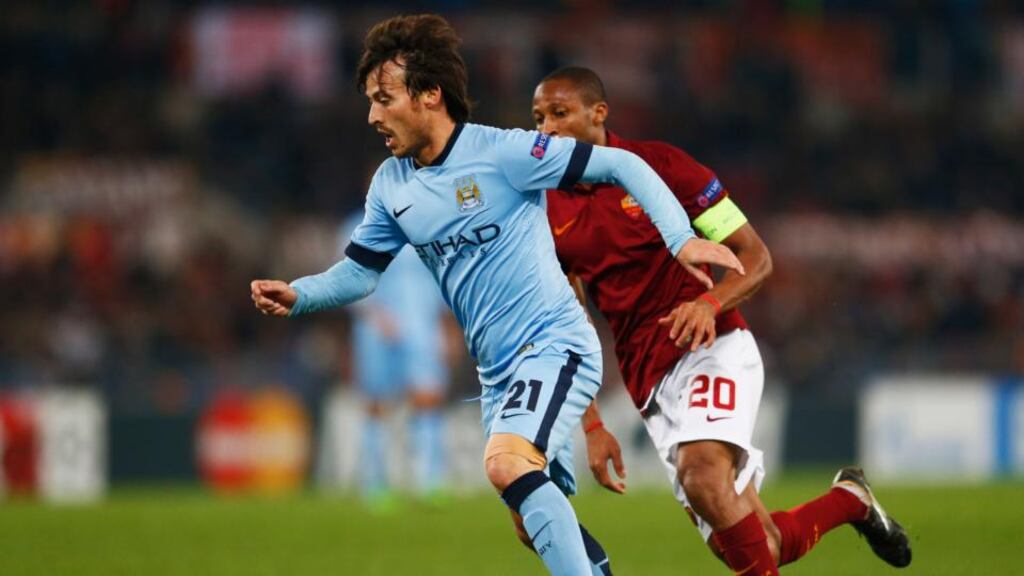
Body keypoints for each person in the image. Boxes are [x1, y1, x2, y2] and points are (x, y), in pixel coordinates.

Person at [250, 15, 743, 576]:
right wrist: (300, 294)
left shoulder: (505, 154)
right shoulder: (391, 184)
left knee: (508, 463)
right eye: (369, 101)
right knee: (530, 520)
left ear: (429, 94)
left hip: (555, 344)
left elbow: (622, 163)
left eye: (384, 99)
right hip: (496, 374)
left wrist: (681, 240)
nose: (373, 116)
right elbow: (362, 273)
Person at [532, 66, 912, 575]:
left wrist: (708, 304)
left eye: (560, 114)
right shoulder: (545, 206)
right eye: (538, 118)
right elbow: (566, 319)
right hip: (648, 380)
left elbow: (755, 258)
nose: (547, 129)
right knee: (760, 545)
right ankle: (850, 500)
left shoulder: (662, 168)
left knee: (703, 476)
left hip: (711, 345)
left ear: (598, 113)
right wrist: (592, 423)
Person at [343, 209, 450, 509]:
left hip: (422, 325)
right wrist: (373, 314)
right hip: (375, 328)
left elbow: (442, 274)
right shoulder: (356, 227)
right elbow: (345, 277)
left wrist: (446, 325)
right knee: (377, 404)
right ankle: (376, 486)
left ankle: (430, 482)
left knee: (427, 397)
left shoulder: (427, 221)